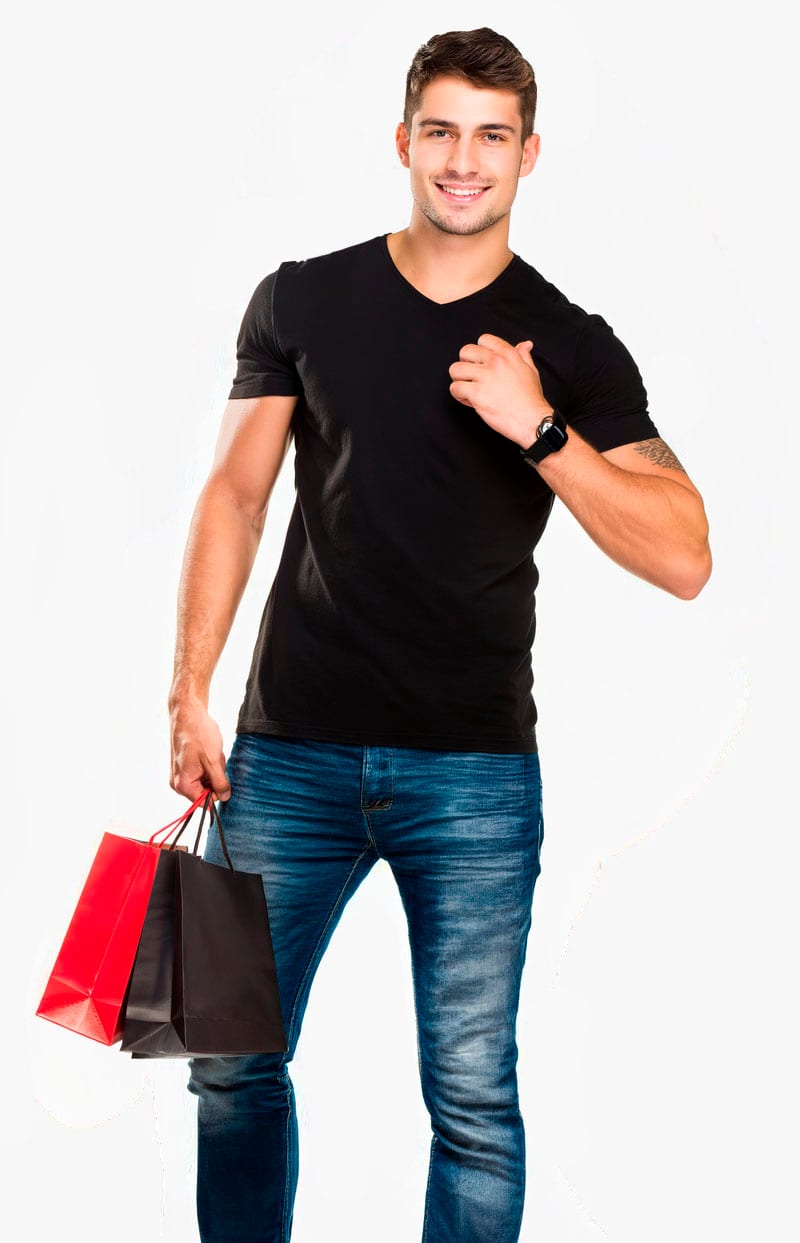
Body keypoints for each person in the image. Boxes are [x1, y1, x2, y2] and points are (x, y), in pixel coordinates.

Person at [168, 26, 712, 1243]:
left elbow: (684, 554)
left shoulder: (563, 342)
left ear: (528, 156)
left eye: (490, 136)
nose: (462, 160)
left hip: (470, 775)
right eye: (441, 130)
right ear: (402, 139)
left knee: (470, 1099)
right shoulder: (302, 296)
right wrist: (187, 690)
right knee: (227, 1060)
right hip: (286, 756)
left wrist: (539, 428)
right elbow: (235, 496)